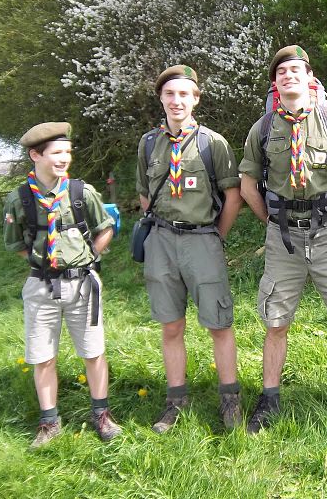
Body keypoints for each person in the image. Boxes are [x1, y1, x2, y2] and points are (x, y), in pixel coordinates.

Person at [239, 45, 327, 433]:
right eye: (281, 71)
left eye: (295, 70)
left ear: (309, 77)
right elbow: (248, 185)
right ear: (275, 82)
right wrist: (271, 220)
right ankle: (269, 399)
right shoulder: (262, 129)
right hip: (282, 238)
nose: (289, 76)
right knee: (276, 320)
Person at [136, 65, 243, 432]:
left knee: (219, 324)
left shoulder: (213, 143)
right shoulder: (149, 144)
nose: (176, 100)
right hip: (162, 242)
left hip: (202, 240)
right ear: (161, 99)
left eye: (184, 94)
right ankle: (176, 401)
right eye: (170, 94)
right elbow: (144, 194)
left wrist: (215, 236)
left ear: (196, 99)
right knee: (171, 326)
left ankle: (230, 400)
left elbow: (233, 196)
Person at [3, 122, 121, 448]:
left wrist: (89, 257)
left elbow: (106, 227)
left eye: (67, 152)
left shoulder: (82, 192)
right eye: (56, 153)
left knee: (94, 352)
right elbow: (17, 243)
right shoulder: (20, 199)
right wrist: (45, 262)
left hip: (83, 286)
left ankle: (102, 414)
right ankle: (49, 421)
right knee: (43, 357)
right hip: (41, 287)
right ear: (36, 155)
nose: (64, 158)